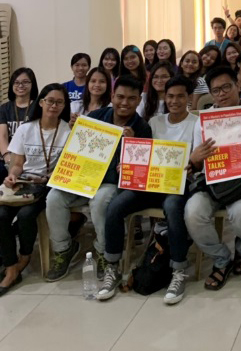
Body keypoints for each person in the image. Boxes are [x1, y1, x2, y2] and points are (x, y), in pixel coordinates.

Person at [97, 77, 198, 304]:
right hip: (152, 185)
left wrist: (193, 163)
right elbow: (144, 155)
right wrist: (130, 155)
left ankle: (179, 270)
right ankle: (111, 266)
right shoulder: (154, 122)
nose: (174, 101)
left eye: (180, 96)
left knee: (172, 207)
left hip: (179, 185)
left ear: (189, 98)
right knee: (115, 206)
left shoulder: (197, 123)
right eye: (170, 96)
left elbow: (199, 160)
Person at [45, 76, 151, 282]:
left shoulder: (142, 128)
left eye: (131, 98)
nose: (124, 102)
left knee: (101, 201)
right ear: (112, 96)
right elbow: (75, 148)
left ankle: (104, 252)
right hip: (82, 179)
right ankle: (64, 249)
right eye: (120, 97)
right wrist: (76, 129)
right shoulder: (95, 116)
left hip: (110, 184)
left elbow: (139, 172)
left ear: (139, 100)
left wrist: (132, 146)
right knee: (54, 198)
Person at [185, 66, 241, 290]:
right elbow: (196, 163)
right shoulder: (204, 120)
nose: (222, 94)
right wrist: (195, 157)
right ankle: (221, 258)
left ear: (238, 85)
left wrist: (238, 159)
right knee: (192, 213)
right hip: (213, 181)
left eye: (226, 87)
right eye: (216, 91)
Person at [0, 83, 71, 296]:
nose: (54, 106)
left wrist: (51, 176)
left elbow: (68, 166)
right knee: (1, 214)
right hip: (22, 183)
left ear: (64, 105)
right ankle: (11, 267)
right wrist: (13, 174)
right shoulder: (26, 129)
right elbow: (17, 163)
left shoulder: (68, 131)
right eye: (50, 101)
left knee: (26, 214)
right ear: (41, 102)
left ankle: (25, 256)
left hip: (48, 186)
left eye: (59, 102)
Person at [0, 68, 39, 178]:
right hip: (8, 156)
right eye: (16, 83)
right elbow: (2, 136)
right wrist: (7, 157)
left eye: (25, 82)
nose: (20, 85)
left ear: (32, 84)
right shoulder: (4, 108)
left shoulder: (38, 107)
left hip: (31, 156)